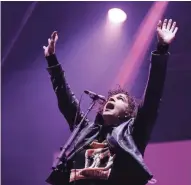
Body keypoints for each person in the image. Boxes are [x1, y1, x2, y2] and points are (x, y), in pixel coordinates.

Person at [43, 19, 178, 185]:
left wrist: (162, 49)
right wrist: (52, 61)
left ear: (128, 112)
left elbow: (153, 95)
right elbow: (66, 101)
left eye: (119, 99)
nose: (111, 99)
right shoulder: (86, 130)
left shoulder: (133, 131)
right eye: (110, 99)